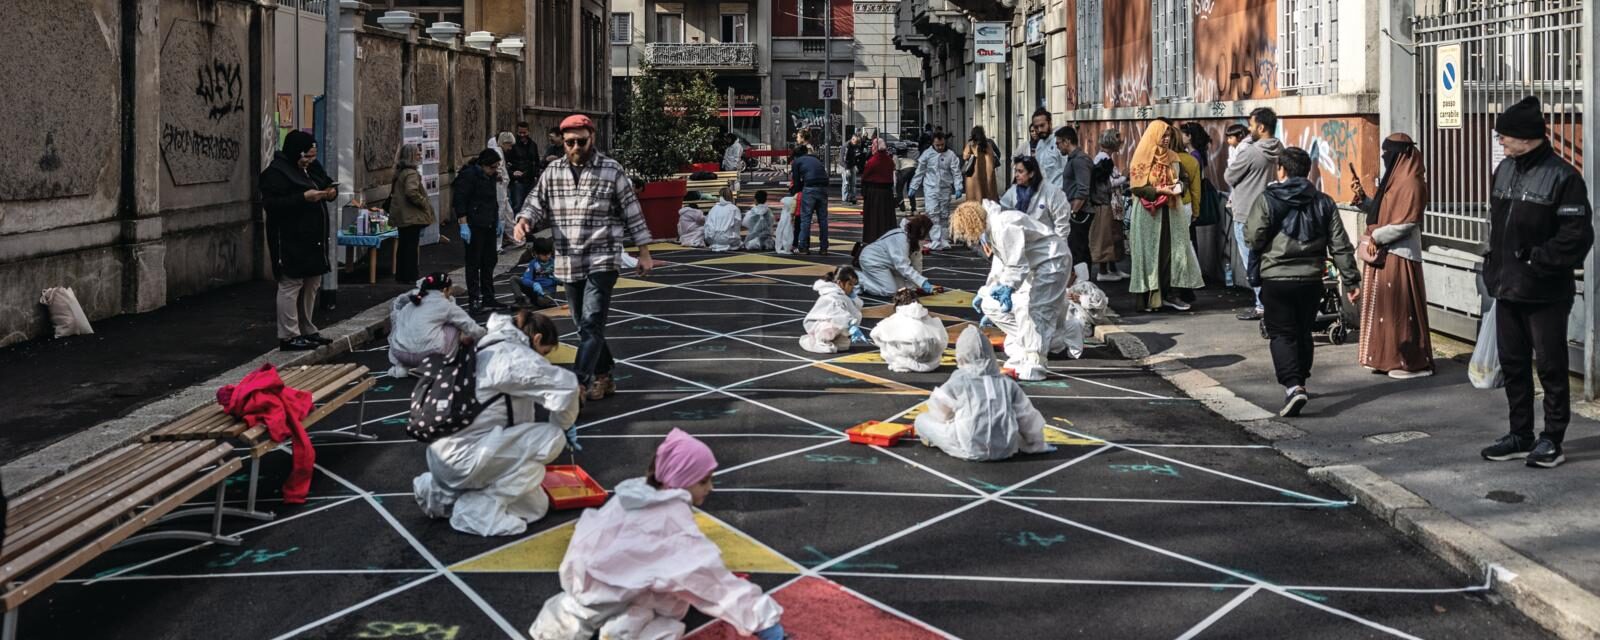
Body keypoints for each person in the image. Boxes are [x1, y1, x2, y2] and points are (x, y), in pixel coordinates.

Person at [528, 429, 785, 640]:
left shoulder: (633, 495)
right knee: (668, 623)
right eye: (703, 481)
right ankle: (624, 630)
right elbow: (710, 580)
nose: (711, 487)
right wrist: (765, 622)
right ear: (681, 479)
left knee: (582, 614)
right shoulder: (670, 523)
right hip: (621, 593)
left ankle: (584, 628)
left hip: (586, 587)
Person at [1479, 96, 1595, 469]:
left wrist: (1537, 259)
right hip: (1506, 287)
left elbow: (1577, 236)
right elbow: (1498, 227)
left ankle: (1553, 438)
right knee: (1513, 364)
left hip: (1545, 291)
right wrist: (1492, 266)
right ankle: (1520, 434)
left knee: (1550, 365)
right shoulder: (1505, 171)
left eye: (1504, 137)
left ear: (1526, 137)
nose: (1500, 143)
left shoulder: (1564, 177)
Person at [514, 114, 656, 403]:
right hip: (568, 260)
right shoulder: (553, 171)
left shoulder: (611, 170)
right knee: (583, 324)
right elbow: (535, 201)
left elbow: (632, 211)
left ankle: (579, 382)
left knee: (591, 322)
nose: (575, 146)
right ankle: (605, 375)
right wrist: (524, 219)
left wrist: (644, 251)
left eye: (581, 141)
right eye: (569, 142)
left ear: (592, 138)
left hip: (603, 257)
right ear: (563, 142)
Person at [413, 310, 580, 536]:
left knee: (536, 504)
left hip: (446, 457)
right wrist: (564, 424)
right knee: (552, 438)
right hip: (466, 458)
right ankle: (476, 510)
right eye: (545, 353)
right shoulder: (511, 356)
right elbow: (567, 387)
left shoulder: (484, 347)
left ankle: (440, 493)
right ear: (537, 339)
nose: (545, 359)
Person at [1244, 147, 1362, 418]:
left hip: (1276, 278)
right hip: (1311, 278)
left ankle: (1293, 385)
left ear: (1281, 170)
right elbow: (1340, 245)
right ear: (1307, 171)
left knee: (1281, 333)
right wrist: (1351, 281)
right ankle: (1301, 381)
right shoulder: (1324, 201)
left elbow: (1253, 237)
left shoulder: (1268, 199)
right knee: (1303, 331)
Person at [953, 200, 1075, 381]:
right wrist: (986, 291)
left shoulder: (1004, 224)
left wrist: (1008, 287)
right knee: (992, 305)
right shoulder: (994, 228)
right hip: (1036, 266)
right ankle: (1031, 345)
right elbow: (1001, 266)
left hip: (1052, 263)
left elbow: (1016, 264)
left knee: (1034, 310)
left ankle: (1036, 360)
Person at [1351, 133, 1434, 380]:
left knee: (1400, 309)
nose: (1385, 157)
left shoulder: (1411, 182)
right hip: (1385, 254)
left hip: (1401, 255)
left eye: (1389, 153)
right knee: (1383, 308)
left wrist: (1377, 237)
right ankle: (1383, 357)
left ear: (1400, 155)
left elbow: (1407, 222)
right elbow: (1382, 211)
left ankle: (1409, 362)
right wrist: (1363, 199)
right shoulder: (1394, 179)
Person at [914, 326, 1054, 461]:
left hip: (970, 446)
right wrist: (1036, 443)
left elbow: (939, 412)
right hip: (1005, 448)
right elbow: (1028, 417)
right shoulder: (1006, 383)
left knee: (922, 421)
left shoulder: (959, 380)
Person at [260, 130, 336, 351]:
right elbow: (272, 205)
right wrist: (303, 198)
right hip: (290, 237)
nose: (309, 161)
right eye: (306, 157)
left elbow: (327, 183)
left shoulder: (311, 169)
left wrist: (330, 193)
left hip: (313, 238)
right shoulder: (275, 173)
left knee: (312, 282)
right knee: (291, 283)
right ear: (295, 153)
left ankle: (307, 328)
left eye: (312, 157)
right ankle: (289, 335)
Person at [1127, 120, 1204, 312]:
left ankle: (1171, 294)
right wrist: (1160, 190)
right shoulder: (1142, 157)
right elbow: (1137, 187)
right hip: (1147, 215)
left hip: (1171, 213)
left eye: (1169, 136)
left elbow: (1184, 179)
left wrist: (1179, 188)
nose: (1166, 139)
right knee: (1148, 254)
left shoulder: (1173, 157)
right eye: (1163, 135)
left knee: (1172, 253)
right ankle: (1148, 299)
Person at [1226, 108, 1284, 321]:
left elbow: (1229, 175)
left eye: (1251, 125)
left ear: (1261, 127)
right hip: (1271, 211)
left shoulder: (1250, 152)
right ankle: (1271, 303)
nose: (1249, 129)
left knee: (1251, 262)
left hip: (1246, 212)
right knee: (1268, 260)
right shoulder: (1280, 149)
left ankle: (1262, 305)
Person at [388, 272, 485, 378]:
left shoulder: (412, 302)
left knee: (409, 325)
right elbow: (470, 327)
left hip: (400, 353)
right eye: (450, 289)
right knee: (454, 326)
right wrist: (486, 334)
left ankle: (401, 368)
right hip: (427, 354)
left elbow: (396, 326)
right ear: (444, 290)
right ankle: (440, 367)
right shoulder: (445, 305)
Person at [453, 148, 508, 313]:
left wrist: (497, 220)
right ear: (483, 165)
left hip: (489, 222)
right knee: (473, 263)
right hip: (474, 224)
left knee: (489, 261)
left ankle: (488, 297)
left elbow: (493, 200)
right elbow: (460, 200)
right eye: (492, 167)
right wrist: (463, 223)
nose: (495, 170)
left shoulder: (489, 176)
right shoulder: (469, 176)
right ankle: (474, 299)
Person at [1000, 156, 1072, 255]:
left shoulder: (1051, 192)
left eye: (1020, 172)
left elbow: (1061, 223)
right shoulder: (1013, 192)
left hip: (1048, 247)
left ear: (1031, 173)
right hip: (1023, 247)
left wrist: (1058, 248)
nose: (1016, 175)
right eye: (1015, 171)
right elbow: (1002, 213)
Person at [858, 215, 939, 298]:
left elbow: (917, 261)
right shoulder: (901, 239)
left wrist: (918, 282)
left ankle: (872, 279)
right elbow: (902, 266)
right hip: (872, 260)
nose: (926, 237)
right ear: (922, 231)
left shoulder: (914, 239)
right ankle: (858, 279)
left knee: (902, 288)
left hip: (887, 263)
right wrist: (921, 282)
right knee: (890, 291)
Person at [870, 289, 947, 373]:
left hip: (907, 354)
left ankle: (904, 360)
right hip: (931, 358)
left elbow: (874, 334)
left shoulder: (897, 316)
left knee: (886, 341)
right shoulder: (927, 316)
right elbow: (943, 339)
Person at [389, 143, 435, 284]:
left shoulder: (400, 172)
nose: (420, 155)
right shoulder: (411, 173)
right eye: (417, 154)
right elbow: (411, 192)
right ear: (411, 156)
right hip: (411, 215)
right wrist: (423, 202)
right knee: (411, 247)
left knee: (403, 246)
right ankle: (410, 275)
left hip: (403, 215)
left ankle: (402, 275)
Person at [910, 131, 963, 251]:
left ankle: (943, 239)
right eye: (937, 145)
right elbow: (920, 172)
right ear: (933, 143)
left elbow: (956, 172)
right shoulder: (927, 155)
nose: (940, 147)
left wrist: (958, 187)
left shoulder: (951, 155)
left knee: (944, 214)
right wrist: (913, 186)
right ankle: (936, 239)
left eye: (942, 145)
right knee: (932, 213)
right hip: (931, 188)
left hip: (945, 189)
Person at [1089, 129, 1129, 281]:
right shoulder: (1103, 160)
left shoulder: (1104, 158)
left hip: (1113, 201)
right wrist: (1124, 177)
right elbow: (1107, 183)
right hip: (1108, 201)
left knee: (1114, 235)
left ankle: (1112, 268)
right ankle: (1104, 271)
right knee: (1108, 235)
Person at [800, 267, 867, 354]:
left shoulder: (842, 295)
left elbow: (854, 310)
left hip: (839, 324)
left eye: (853, 285)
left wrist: (854, 299)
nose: (852, 288)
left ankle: (835, 339)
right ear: (840, 283)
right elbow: (838, 315)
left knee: (843, 345)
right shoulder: (832, 296)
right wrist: (851, 325)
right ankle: (819, 341)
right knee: (832, 326)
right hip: (819, 326)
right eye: (850, 284)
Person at [1057, 126, 1095, 277]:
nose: (1057, 146)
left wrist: (1073, 211)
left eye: (1059, 143)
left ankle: (1084, 282)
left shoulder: (1079, 160)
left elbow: (1083, 189)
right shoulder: (1073, 159)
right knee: (1077, 248)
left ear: (1067, 141)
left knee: (1078, 249)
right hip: (1077, 210)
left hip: (1081, 212)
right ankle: (1082, 282)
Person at [788, 143, 830, 255]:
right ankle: (824, 247)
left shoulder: (797, 162)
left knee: (806, 218)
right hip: (824, 187)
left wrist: (795, 191)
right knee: (823, 219)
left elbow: (796, 182)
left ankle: (803, 247)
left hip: (810, 188)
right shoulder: (815, 159)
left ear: (796, 156)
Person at [861, 137, 898, 244]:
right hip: (887, 194)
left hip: (874, 193)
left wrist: (864, 193)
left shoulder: (872, 161)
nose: (871, 148)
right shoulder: (889, 160)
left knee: (874, 218)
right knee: (886, 219)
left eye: (873, 146)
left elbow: (865, 177)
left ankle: (872, 238)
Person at [489, 132, 519, 251]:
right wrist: (500, 177)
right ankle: (498, 244)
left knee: (507, 214)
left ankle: (514, 238)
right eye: (509, 145)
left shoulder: (497, 151)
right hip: (500, 189)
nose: (510, 148)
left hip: (502, 188)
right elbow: (498, 171)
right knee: (501, 215)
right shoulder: (497, 152)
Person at [1022, 108, 1064, 187]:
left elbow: (1068, 171)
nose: (1039, 130)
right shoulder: (1039, 145)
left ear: (1050, 123)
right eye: (1036, 127)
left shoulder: (1059, 143)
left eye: (1042, 125)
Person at [515, 237, 560, 309]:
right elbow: (525, 279)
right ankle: (520, 301)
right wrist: (534, 284)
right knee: (514, 279)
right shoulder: (533, 263)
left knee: (541, 301)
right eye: (545, 255)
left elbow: (563, 280)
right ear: (536, 253)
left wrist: (556, 278)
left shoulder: (554, 263)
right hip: (535, 290)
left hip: (547, 292)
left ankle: (533, 302)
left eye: (549, 254)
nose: (548, 256)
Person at [963, 126, 1000, 204]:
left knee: (974, 201)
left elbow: (965, 156)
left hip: (974, 176)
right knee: (988, 200)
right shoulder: (987, 145)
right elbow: (993, 158)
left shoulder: (971, 144)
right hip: (987, 176)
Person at [508, 122, 539, 212]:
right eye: (520, 133)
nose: (522, 135)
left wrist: (536, 173)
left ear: (528, 132)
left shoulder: (533, 145)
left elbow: (536, 161)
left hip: (530, 180)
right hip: (518, 181)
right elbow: (508, 163)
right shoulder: (513, 146)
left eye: (524, 133)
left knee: (531, 206)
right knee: (518, 205)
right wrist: (513, 173)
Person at [704, 187, 742, 252]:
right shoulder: (734, 209)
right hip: (728, 239)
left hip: (712, 239)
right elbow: (737, 226)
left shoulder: (713, 208)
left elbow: (707, 224)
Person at [840, 132, 868, 205]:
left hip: (851, 165)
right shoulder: (846, 146)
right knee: (846, 183)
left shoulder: (854, 145)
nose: (857, 144)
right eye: (856, 142)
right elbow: (843, 159)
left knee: (853, 182)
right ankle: (844, 199)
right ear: (852, 140)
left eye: (858, 142)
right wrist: (846, 169)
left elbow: (855, 156)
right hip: (845, 166)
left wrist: (855, 165)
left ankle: (852, 197)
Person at [895, 146, 920, 213]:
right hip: (914, 169)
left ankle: (902, 206)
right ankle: (913, 207)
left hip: (904, 170)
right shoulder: (910, 158)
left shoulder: (896, 158)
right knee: (910, 188)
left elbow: (897, 170)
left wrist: (898, 182)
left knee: (899, 189)